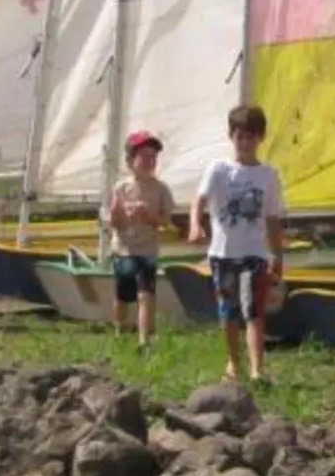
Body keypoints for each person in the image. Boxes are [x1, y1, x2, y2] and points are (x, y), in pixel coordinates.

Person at [188, 105, 285, 386]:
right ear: (231, 137)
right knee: (228, 312)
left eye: (250, 137)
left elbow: (272, 219)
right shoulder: (219, 169)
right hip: (223, 254)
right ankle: (233, 360)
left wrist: (277, 255)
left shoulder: (268, 175)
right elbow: (199, 200)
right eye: (239, 136)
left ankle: (257, 370)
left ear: (260, 138)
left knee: (253, 310)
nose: (244, 143)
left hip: (254, 254)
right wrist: (196, 224)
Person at [106, 130, 176, 349]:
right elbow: (114, 223)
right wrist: (120, 214)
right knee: (123, 295)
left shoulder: (161, 189)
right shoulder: (121, 188)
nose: (149, 161)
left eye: (153, 156)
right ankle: (120, 329)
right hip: (124, 250)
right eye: (143, 156)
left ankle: (144, 339)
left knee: (146, 294)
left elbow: (165, 222)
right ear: (130, 161)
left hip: (147, 251)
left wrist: (149, 217)